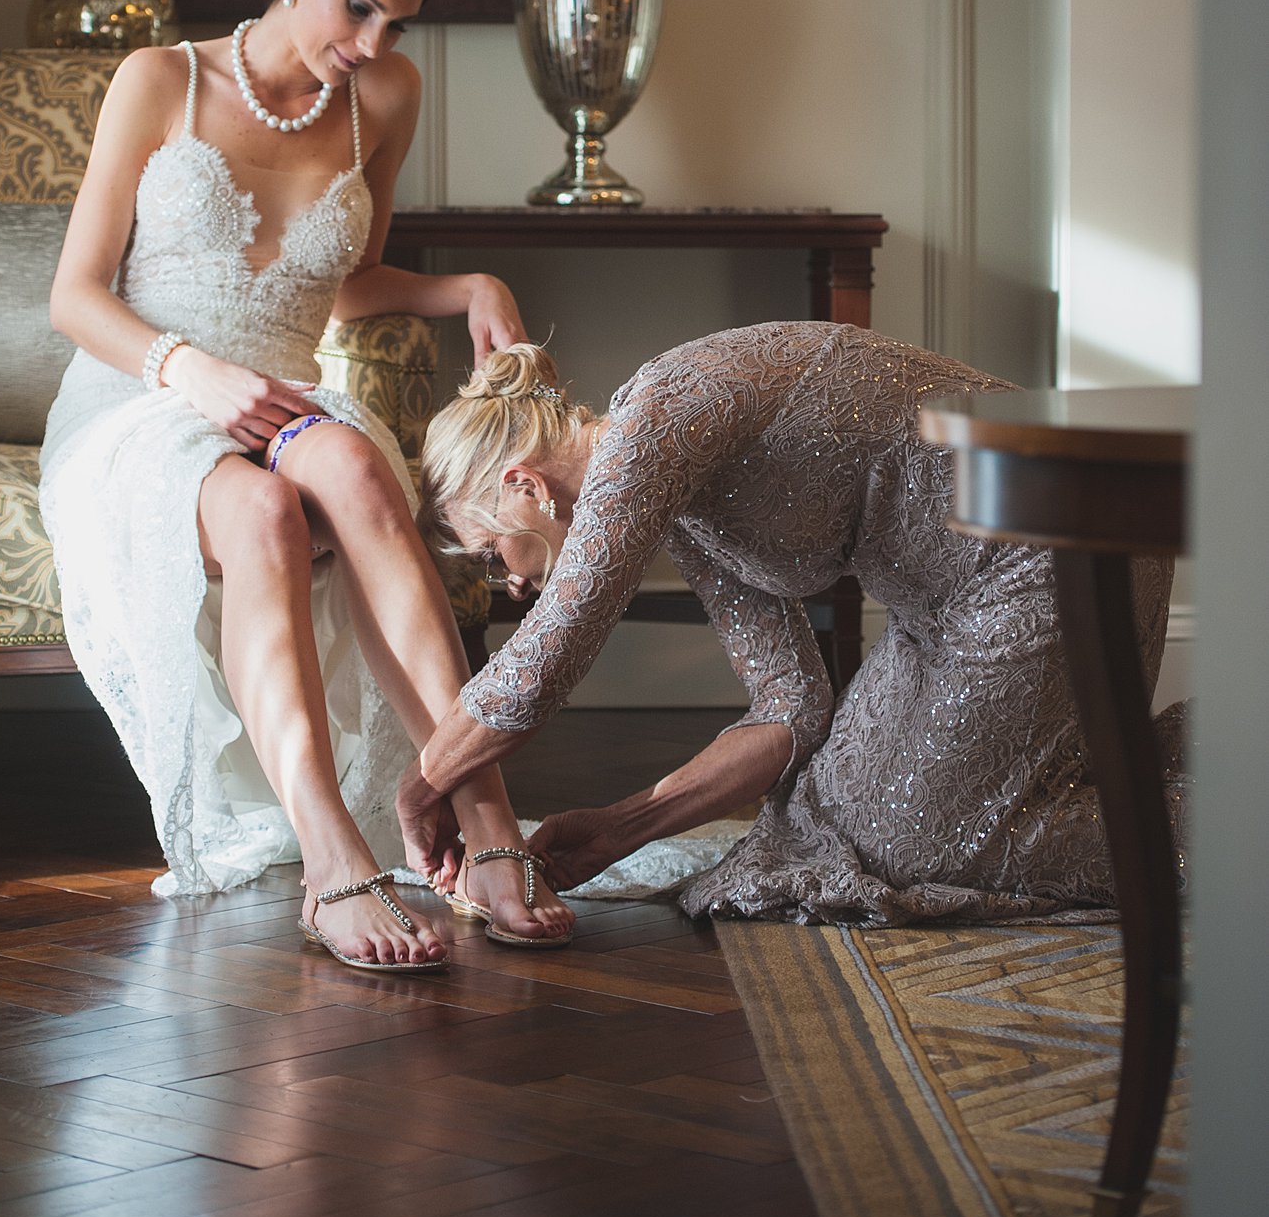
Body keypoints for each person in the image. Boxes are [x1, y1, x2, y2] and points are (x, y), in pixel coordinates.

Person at [41, 0, 573, 970]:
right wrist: (189, 372)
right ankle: (332, 855)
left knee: (363, 475)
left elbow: (343, 279)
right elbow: (74, 295)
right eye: (356, 7)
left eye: (395, 21)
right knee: (266, 516)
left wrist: (460, 283)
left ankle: (486, 823)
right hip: (140, 401)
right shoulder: (161, 79)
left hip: (281, 393)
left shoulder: (383, 95)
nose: (372, 40)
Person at [401, 324, 1184, 925]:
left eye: (488, 551)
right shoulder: (677, 508)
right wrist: (622, 828)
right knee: (826, 818)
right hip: (936, 613)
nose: (505, 581)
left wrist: (422, 788)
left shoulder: (658, 417)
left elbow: (548, 658)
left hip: (1051, 554)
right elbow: (789, 709)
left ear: (523, 486)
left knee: (916, 848)